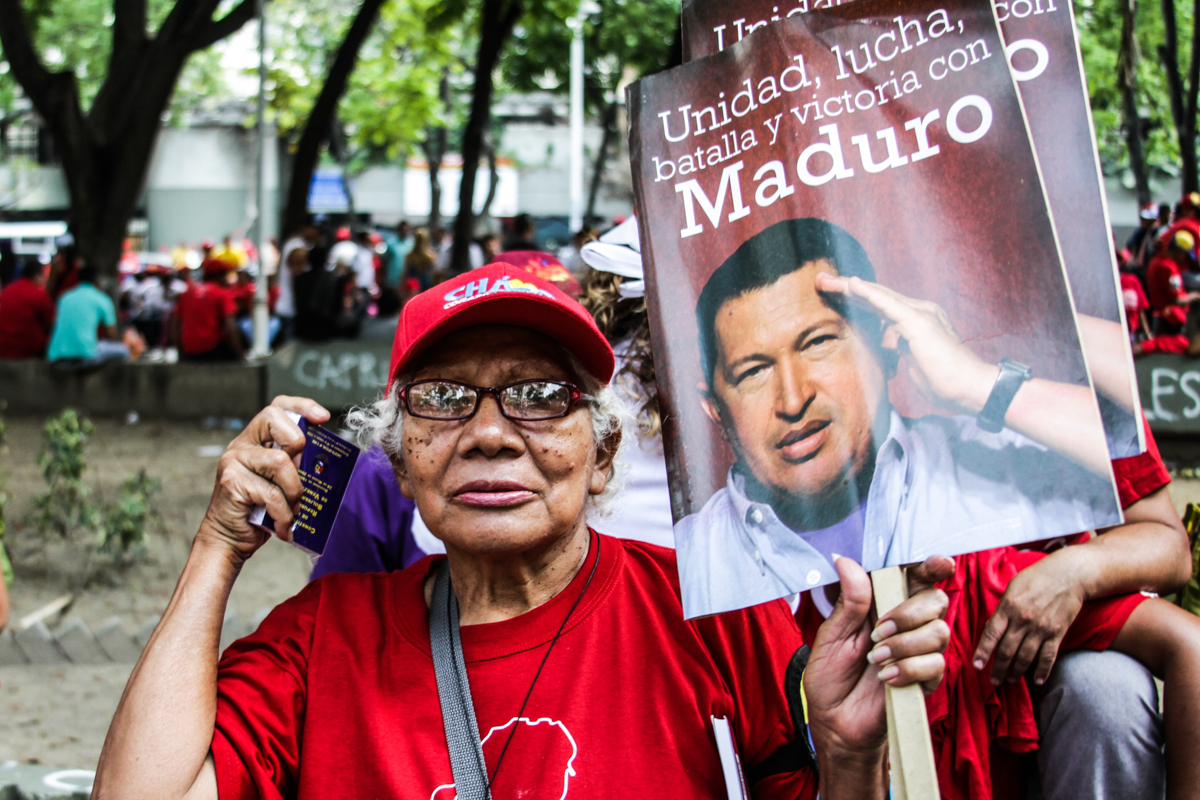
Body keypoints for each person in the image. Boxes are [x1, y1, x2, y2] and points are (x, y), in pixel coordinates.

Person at [93, 263, 953, 800]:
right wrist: (217, 546)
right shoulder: (320, 643)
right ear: (399, 460)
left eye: (541, 396)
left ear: (603, 452)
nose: (492, 431)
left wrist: (846, 760)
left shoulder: (709, 608)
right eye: (442, 398)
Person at [676, 217, 1119, 619]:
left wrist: (980, 384)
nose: (793, 399)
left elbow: (1146, 496)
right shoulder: (688, 563)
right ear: (715, 409)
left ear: (889, 345)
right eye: (753, 371)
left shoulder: (991, 467)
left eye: (818, 343)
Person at [46, 263, 130, 363]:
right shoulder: (102, 299)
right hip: (85, 355)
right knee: (124, 351)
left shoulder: (64, 297)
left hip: (57, 357)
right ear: (97, 280)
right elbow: (111, 334)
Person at [1137, 229, 1199, 356]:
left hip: (1159, 316)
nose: (1185, 258)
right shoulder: (1168, 267)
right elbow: (1177, 300)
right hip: (1170, 320)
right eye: (1185, 254)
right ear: (1179, 251)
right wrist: (1195, 296)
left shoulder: (1155, 260)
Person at [172, 261, 243, 361]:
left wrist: (180, 354)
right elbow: (231, 327)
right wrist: (241, 356)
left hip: (190, 352)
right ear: (219, 276)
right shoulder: (222, 294)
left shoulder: (187, 294)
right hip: (212, 350)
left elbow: (174, 325)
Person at [0, 259, 55, 359]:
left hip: (2, 346)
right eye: (44, 276)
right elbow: (51, 322)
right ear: (37, 276)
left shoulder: (8, 289)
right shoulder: (38, 295)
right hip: (24, 348)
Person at [277, 221, 321, 346]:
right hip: (288, 305)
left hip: (288, 306)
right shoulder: (297, 246)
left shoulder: (296, 244)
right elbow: (296, 272)